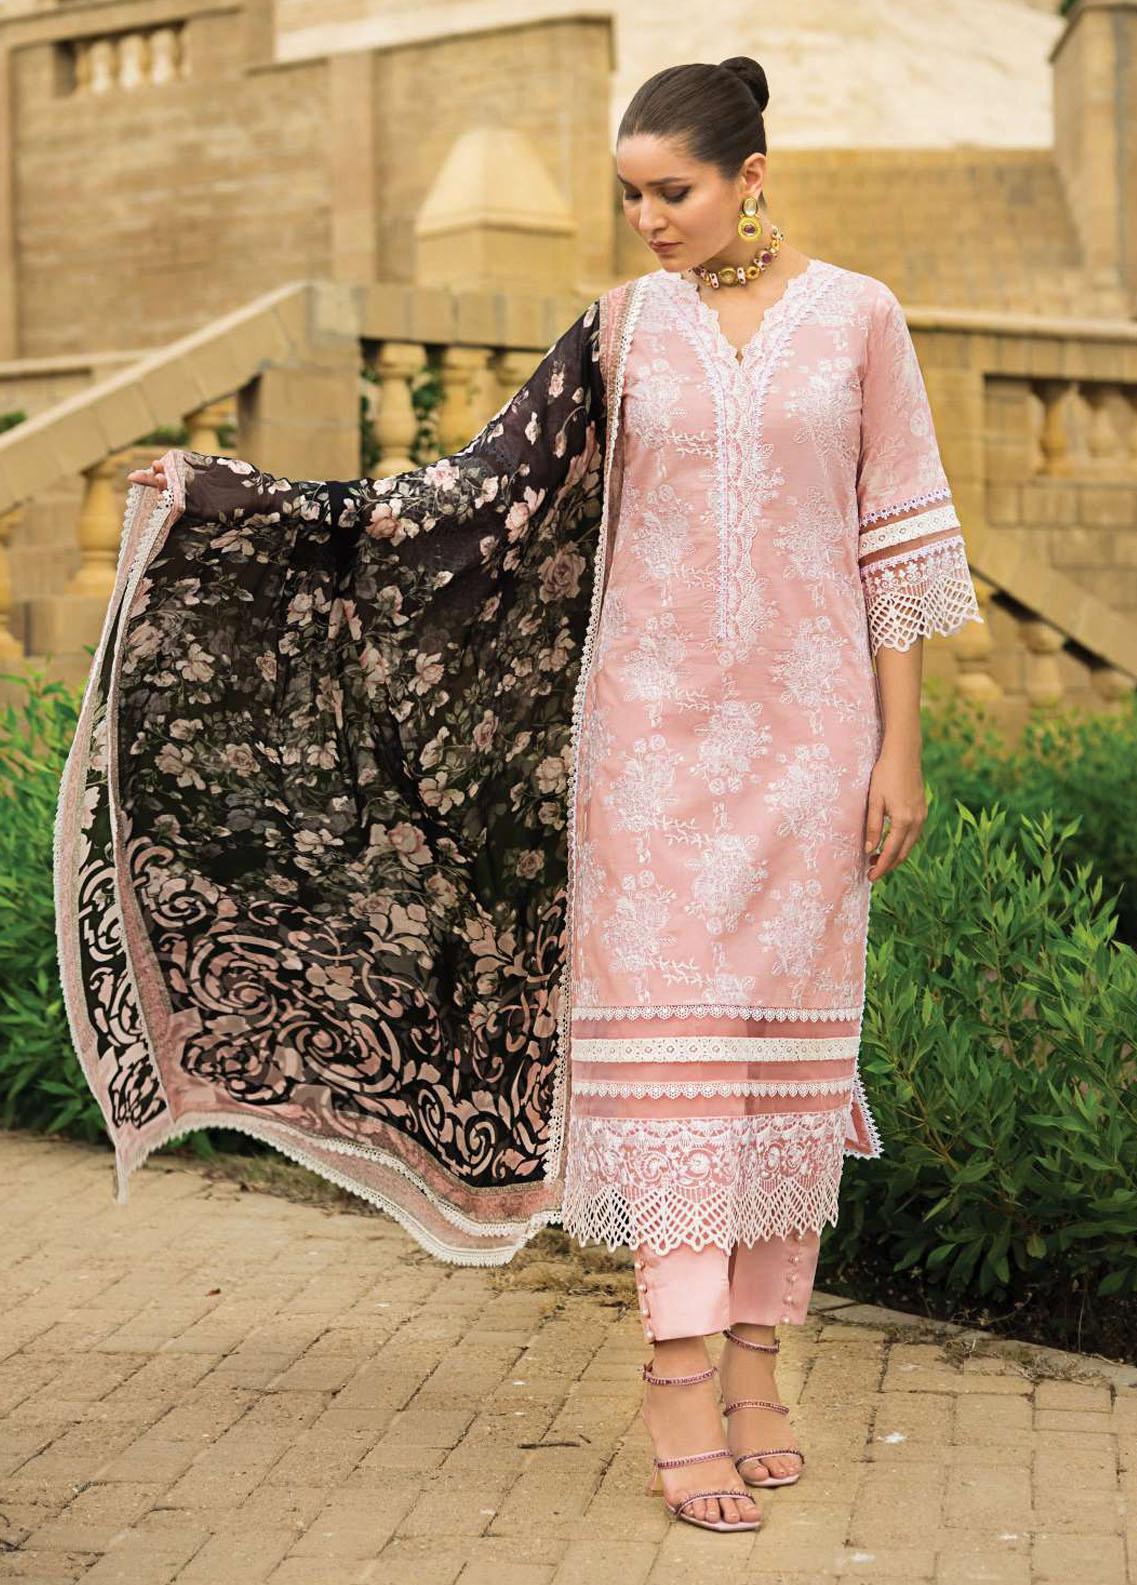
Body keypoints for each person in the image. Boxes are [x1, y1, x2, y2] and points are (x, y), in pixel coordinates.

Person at [58, 56, 982, 1540]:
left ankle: (761, 1374)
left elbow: (897, 544)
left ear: (751, 175)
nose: (648, 220)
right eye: (629, 195)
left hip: (811, 746)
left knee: (781, 1073)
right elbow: (466, 496)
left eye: (672, 191)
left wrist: (899, 749)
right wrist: (241, 499)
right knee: (677, 1073)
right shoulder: (619, 333)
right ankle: (677, 1384)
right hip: (646, 753)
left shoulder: (861, 319)